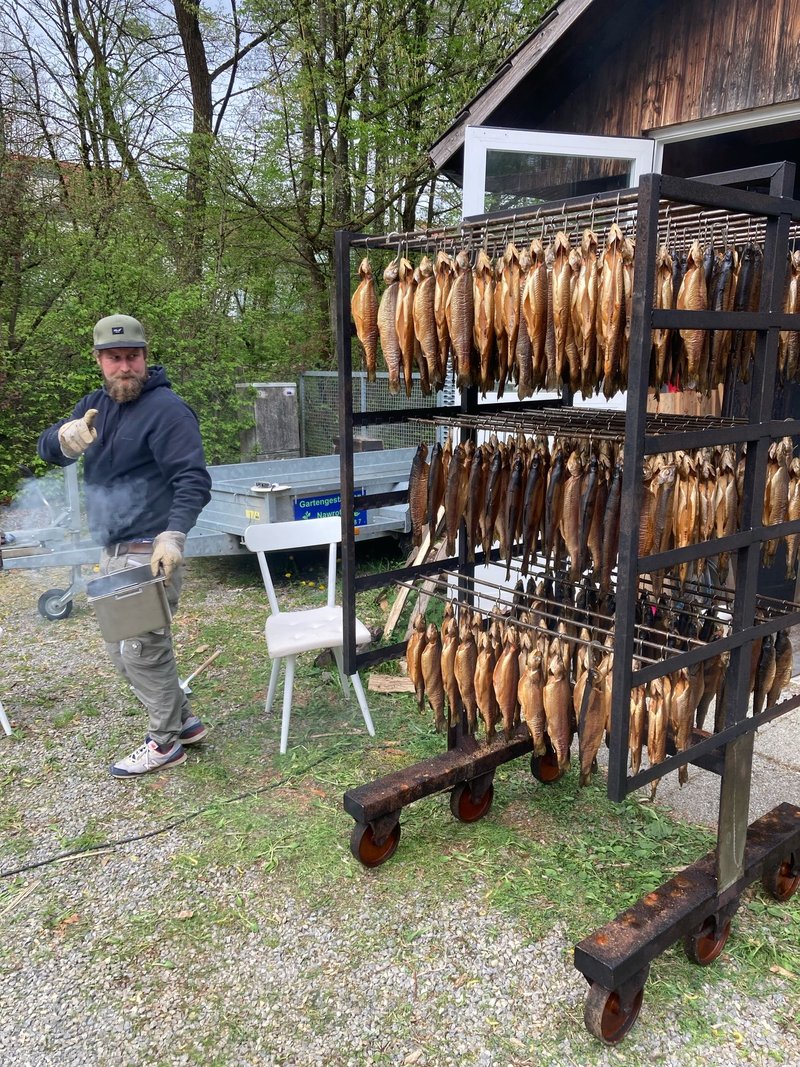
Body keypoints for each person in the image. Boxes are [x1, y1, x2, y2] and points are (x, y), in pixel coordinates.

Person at [37, 314, 212, 778]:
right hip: (115, 549)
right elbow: (48, 450)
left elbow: (192, 480)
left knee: (140, 648)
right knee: (127, 646)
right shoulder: (94, 405)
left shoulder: (168, 410)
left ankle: (164, 742)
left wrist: (174, 534)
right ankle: (185, 723)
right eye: (114, 358)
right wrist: (61, 439)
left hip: (151, 549)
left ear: (145, 357)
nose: (124, 367)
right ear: (99, 360)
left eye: (132, 357)